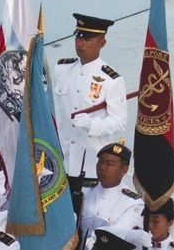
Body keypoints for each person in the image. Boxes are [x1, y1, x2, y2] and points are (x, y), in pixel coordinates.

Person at [52, 13, 128, 180]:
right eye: (78, 37)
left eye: (88, 39)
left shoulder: (111, 80)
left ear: (102, 43)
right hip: (62, 159)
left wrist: (92, 125)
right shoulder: (62, 69)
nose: (81, 42)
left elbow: (119, 122)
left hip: (91, 164)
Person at [79, 142, 151, 250]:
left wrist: (95, 237)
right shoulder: (83, 190)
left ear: (124, 170)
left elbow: (120, 230)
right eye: (100, 161)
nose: (102, 167)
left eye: (110, 164)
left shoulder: (133, 203)